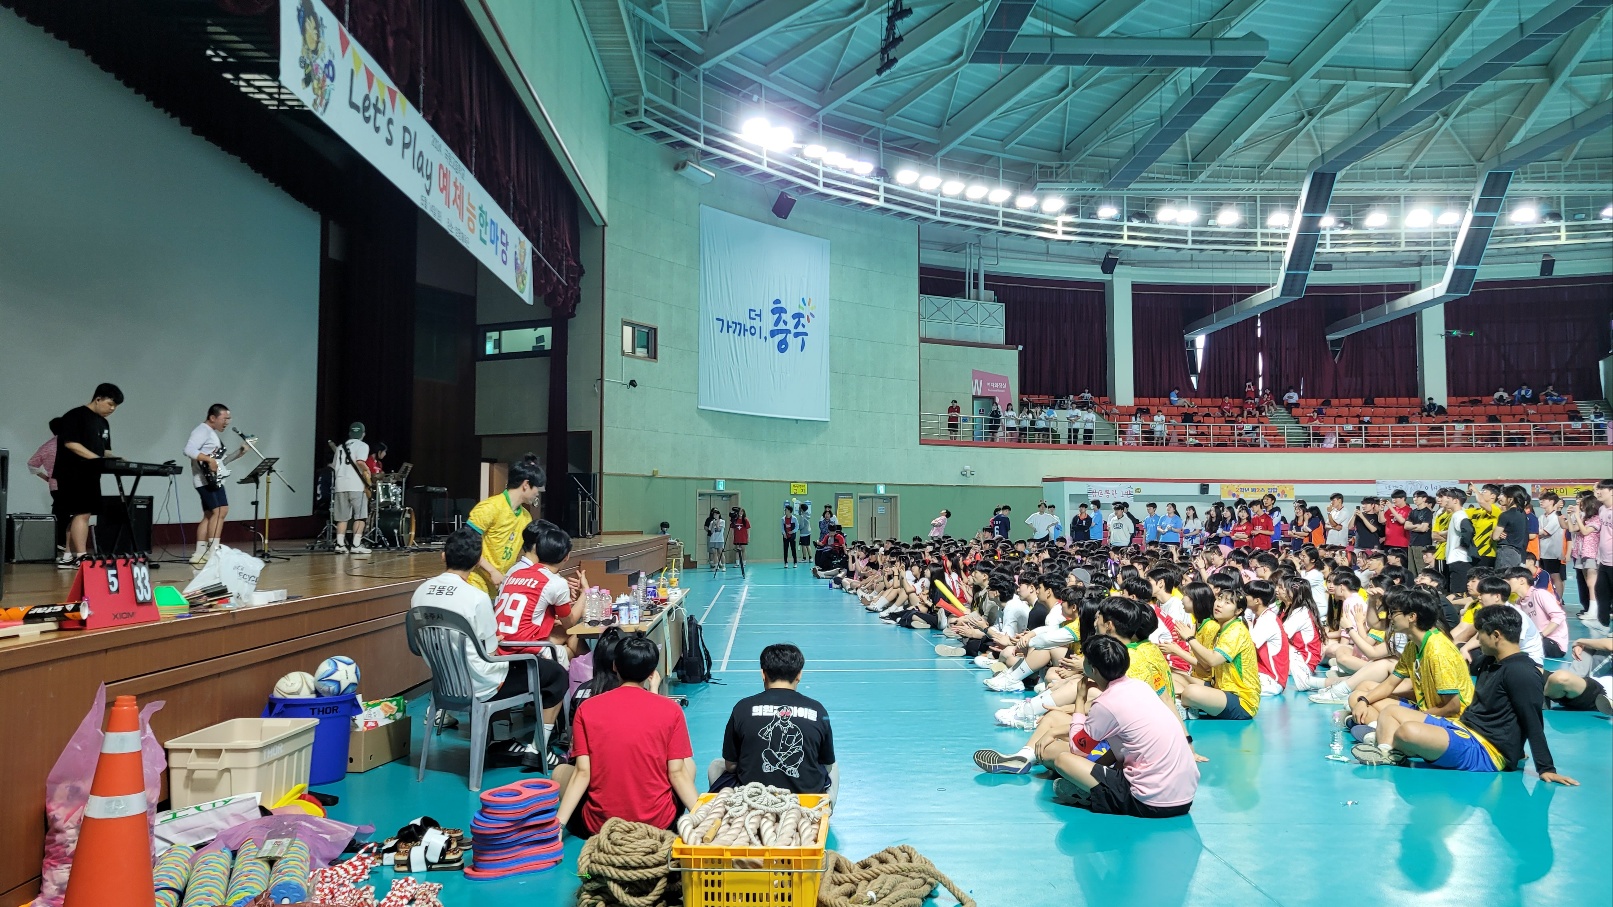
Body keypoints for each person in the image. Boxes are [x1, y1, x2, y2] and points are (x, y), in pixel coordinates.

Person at [1353, 606, 1576, 785]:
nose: (1477, 638)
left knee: (1407, 731)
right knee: (1391, 712)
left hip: (1487, 750)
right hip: (1464, 729)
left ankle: (1387, 744)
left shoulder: (1522, 672)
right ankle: (1387, 751)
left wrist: (1546, 768)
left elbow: (1532, 721)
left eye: (1481, 633)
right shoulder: (1491, 662)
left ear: (1496, 635)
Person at [411, 528, 565, 769]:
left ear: (443, 556)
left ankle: (500, 741)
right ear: (475, 562)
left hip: (444, 684)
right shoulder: (476, 598)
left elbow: (417, 646)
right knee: (555, 675)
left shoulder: (419, 593)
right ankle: (539, 750)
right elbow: (492, 652)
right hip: (483, 686)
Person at [555, 636, 700, 838]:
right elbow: (677, 774)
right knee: (687, 765)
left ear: (615, 666)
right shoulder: (671, 711)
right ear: (651, 673)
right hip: (658, 824)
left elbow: (582, 772)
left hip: (601, 827)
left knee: (560, 771)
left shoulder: (587, 709)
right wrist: (703, 820)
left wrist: (558, 826)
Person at [1047, 636, 1197, 818]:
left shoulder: (1105, 704)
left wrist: (1080, 699)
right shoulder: (1141, 687)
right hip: (1185, 798)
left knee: (1063, 760)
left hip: (1148, 802)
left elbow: (1077, 748)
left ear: (1092, 669)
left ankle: (1092, 795)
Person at [709, 644, 838, 803]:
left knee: (716, 766)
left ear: (763, 674)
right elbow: (827, 764)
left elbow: (731, 765)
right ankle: (824, 809)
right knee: (834, 767)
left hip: (754, 798)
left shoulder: (742, 708)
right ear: (799, 675)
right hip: (803, 801)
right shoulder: (818, 710)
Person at [53, 384, 122, 565]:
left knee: (82, 514)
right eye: (110, 404)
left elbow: (105, 451)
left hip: (91, 473)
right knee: (81, 513)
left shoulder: (103, 423)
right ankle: (81, 556)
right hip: (72, 472)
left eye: (115, 406)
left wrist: (117, 460)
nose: (112, 409)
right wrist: (96, 458)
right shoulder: (75, 416)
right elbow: (71, 443)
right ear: (98, 399)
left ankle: (71, 556)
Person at [464, 455, 545, 596]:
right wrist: (492, 571)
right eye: (537, 487)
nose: (537, 492)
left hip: (499, 588)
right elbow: (465, 544)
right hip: (473, 585)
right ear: (526, 485)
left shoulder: (526, 517)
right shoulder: (490, 507)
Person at [183, 404, 250, 566]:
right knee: (221, 510)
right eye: (224, 418)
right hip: (205, 480)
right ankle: (213, 552)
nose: (227, 422)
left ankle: (200, 553)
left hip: (211, 479)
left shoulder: (210, 434)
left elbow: (221, 462)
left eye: (229, 419)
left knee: (209, 515)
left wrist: (239, 453)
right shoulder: (202, 430)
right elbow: (188, 450)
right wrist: (210, 460)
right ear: (213, 417)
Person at [330, 422, 373, 556]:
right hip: (356, 485)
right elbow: (360, 461)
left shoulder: (340, 447)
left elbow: (334, 466)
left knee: (342, 517)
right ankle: (356, 544)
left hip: (340, 484)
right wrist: (367, 471)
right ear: (363, 434)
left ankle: (340, 544)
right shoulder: (363, 446)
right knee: (360, 517)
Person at [27, 420, 66, 564]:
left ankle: (58, 546)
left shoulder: (47, 446)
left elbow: (32, 464)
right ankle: (64, 547)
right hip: (72, 486)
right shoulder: (73, 445)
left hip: (55, 486)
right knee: (71, 516)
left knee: (59, 515)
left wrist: (47, 478)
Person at [1543, 636, 1613, 714]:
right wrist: (1581, 644)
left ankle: (1544, 696)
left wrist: (1580, 641)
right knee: (1534, 670)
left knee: (1560, 678)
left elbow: (1610, 644)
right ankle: (1551, 690)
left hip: (1598, 690)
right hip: (1582, 680)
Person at [705, 508, 726, 576]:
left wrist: (716, 524)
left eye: (716, 514)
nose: (715, 516)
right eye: (714, 514)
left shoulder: (722, 521)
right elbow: (711, 531)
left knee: (720, 553)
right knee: (714, 553)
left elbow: (719, 529)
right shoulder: (711, 522)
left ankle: (723, 566)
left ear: (719, 515)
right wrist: (713, 524)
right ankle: (716, 566)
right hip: (713, 539)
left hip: (720, 539)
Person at [731, 508, 751, 576]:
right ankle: (737, 563)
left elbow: (748, 529)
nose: (740, 513)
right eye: (740, 512)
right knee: (737, 550)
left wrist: (748, 537)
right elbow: (733, 529)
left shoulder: (745, 520)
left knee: (743, 550)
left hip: (743, 537)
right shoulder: (735, 520)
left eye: (742, 512)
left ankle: (744, 562)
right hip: (737, 538)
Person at [781, 503, 799, 567]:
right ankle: (786, 563)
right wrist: (784, 533)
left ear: (789, 511)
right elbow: (782, 528)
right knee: (785, 549)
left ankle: (795, 562)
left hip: (792, 536)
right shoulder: (783, 519)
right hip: (786, 536)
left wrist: (792, 531)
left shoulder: (794, 518)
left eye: (786, 510)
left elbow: (797, 527)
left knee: (793, 549)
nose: (785, 511)